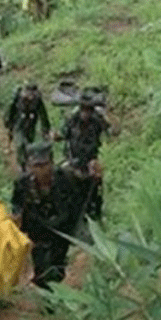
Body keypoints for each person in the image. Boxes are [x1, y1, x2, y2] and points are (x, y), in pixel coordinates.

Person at [10, 141, 84, 290]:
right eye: (36, 166)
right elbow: (17, 203)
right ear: (29, 166)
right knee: (41, 267)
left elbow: (81, 195)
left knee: (57, 267)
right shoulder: (23, 183)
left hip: (61, 229)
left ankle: (54, 290)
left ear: (51, 163)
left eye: (44, 165)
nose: (40, 170)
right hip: (37, 229)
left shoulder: (66, 178)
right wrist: (17, 216)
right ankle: (45, 293)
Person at [56, 90, 110, 221]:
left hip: (90, 161)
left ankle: (95, 215)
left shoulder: (97, 121)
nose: (85, 113)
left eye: (89, 110)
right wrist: (55, 135)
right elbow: (62, 134)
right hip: (73, 161)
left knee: (95, 187)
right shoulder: (72, 120)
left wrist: (108, 112)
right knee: (61, 181)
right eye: (83, 109)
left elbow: (114, 130)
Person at [5, 81, 51, 167]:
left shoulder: (37, 100)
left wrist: (45, 129)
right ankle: (22, 165)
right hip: (18, 122)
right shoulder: (18, 97)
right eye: (29, 93)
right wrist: (8, 121)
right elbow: (10, 110)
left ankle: (27, 162)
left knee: (29, 145)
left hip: (31, 123)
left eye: (33, 94)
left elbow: (43, 115)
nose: (31, 96)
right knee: (20, 144)